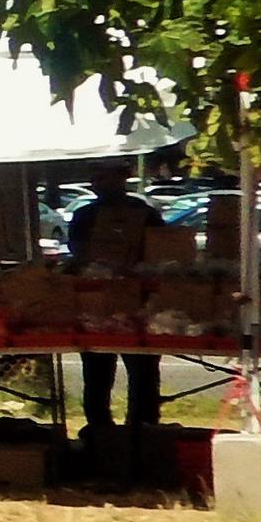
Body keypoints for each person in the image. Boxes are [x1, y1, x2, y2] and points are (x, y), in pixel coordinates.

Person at [67, 160, 162, 470]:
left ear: (122, 178)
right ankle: (100, 439)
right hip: (96, 308)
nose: (98, 182)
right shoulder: (83, 215)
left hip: (138, 307)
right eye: (95, 176)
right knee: (96, 377)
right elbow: (78, 254)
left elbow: (161, 252)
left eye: (105, 176)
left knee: (143, 376)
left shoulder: (145, 214)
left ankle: (143, 439)